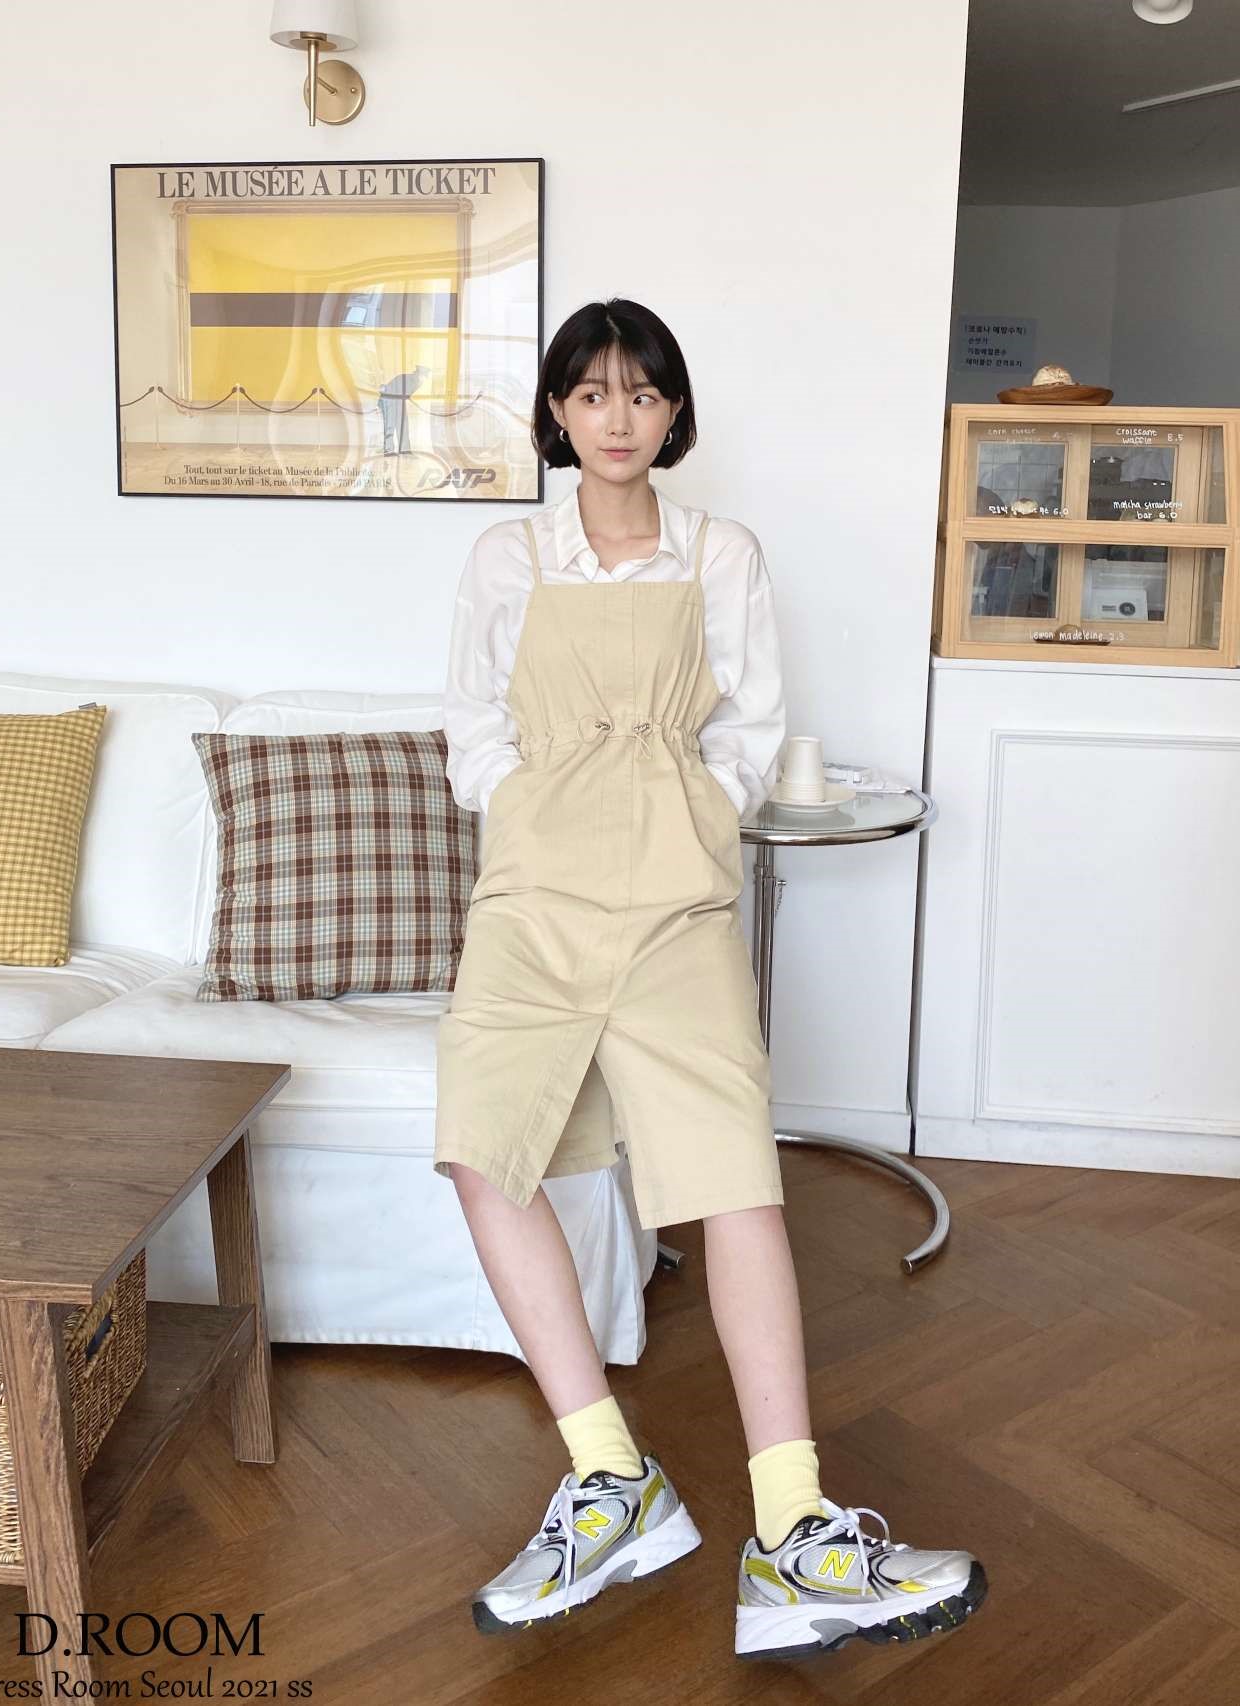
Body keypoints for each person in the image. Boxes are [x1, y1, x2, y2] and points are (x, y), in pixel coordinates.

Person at [434, 298, 987, 1660]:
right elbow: (471, 726)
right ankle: (609, 1478)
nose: (616, 416)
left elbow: (751, 723)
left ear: (673, 412)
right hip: (534, 904)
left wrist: (688, 815)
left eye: (641, 392)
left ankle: (792, 1531)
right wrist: (536, 807)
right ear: (558, 414)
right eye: (590, 393)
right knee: (482, 1156)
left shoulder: (721, 553)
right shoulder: (508, 556)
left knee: (733, 1179)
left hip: (675, 904)